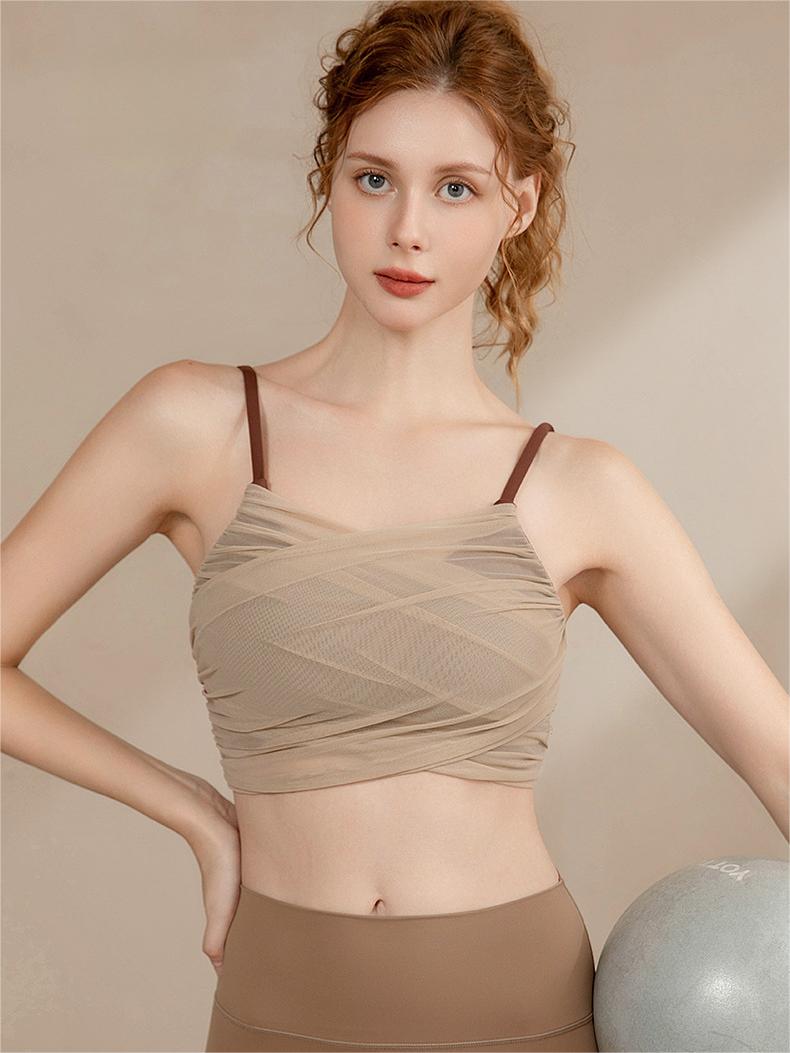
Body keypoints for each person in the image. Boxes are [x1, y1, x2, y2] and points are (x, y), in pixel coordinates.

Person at [2, 1, 787, 1051]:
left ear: (518, 205)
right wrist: (191, 808)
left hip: (520, 1014)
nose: (407, 228)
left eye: (455, 188)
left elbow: (779, 758)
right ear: (330, 178)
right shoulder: (195, 425)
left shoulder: (579, 489)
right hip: (276, 1007)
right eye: (374, 179)